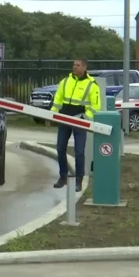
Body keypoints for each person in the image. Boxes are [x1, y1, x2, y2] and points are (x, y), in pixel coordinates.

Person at [50, 58, 101, 191]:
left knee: (79, 152)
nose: (74, 67)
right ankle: (63, 177)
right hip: (64, 119)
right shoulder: (65, 81)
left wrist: (84, 118)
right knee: (60, 148)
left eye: (78, 65)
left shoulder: (92, 85)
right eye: (73, 65)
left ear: (84, 67)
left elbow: (96, 106)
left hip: (80, 121)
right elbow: (58, 98)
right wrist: (52, 115)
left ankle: (79, 180)